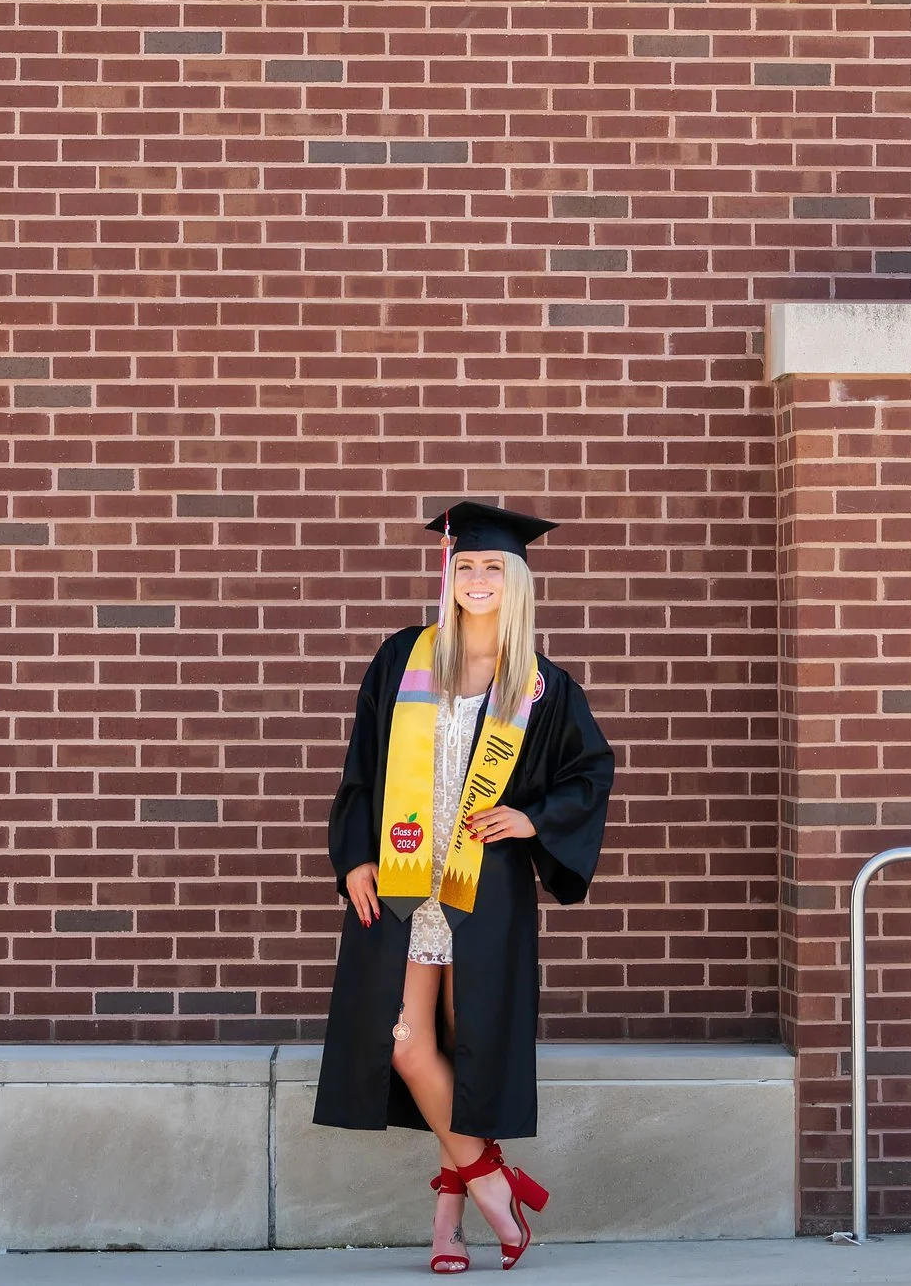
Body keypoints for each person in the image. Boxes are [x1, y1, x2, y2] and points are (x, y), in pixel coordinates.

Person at [314, 501, 617, 1274]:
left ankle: (447, 1228)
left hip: (485, 891)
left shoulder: (541, 687)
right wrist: (353, 856)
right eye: (467, 564)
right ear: (449, 573)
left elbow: (590, 771)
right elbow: (362, 762)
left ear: (516, 581)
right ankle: (494, 1182)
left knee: (465, 1054)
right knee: (407, 1044)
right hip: (405, 880)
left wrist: (532, 817)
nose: (477, 577)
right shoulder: (404, 658)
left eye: (493, 566)